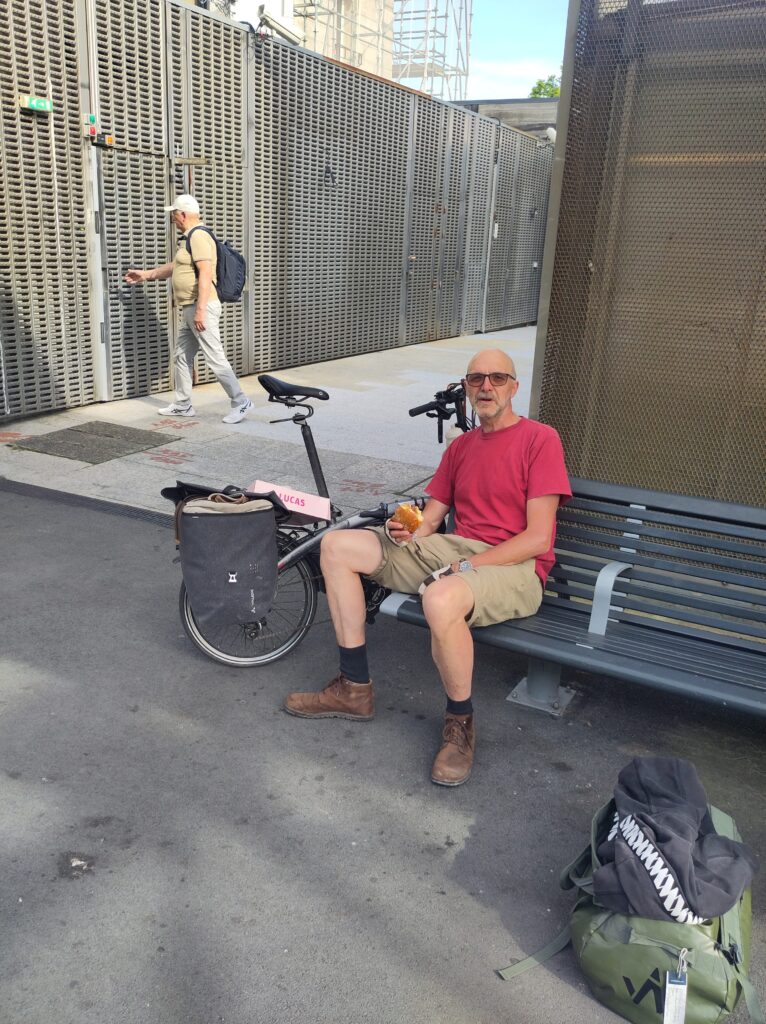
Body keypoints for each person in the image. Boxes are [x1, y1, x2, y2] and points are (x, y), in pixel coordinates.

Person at [283, 348, 572, 787]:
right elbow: (432, 516)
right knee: (339, 545)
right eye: (476, 379)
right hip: (455, 550)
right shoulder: (462, 447)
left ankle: (461, 725)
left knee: (439, 596)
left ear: (515, 386)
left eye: (497, 378)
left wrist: (468, 564)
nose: (486, 387)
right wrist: (408, 529)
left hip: (516, 564)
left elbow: (537, 538)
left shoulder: (540, 439)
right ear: (467, 387)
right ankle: (353, 688)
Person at [124, 194, 253, 424]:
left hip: (200, 307)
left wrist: (201, 310)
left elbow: (205, 273)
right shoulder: (189, 239)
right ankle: (183, 404)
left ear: (183, 214)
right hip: (190, 308)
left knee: (215, 358)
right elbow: (177, 266)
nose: (173, 219)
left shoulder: (199, 236)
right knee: (181, 356)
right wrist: (146, 275)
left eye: (174, 214)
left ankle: (241, 401)